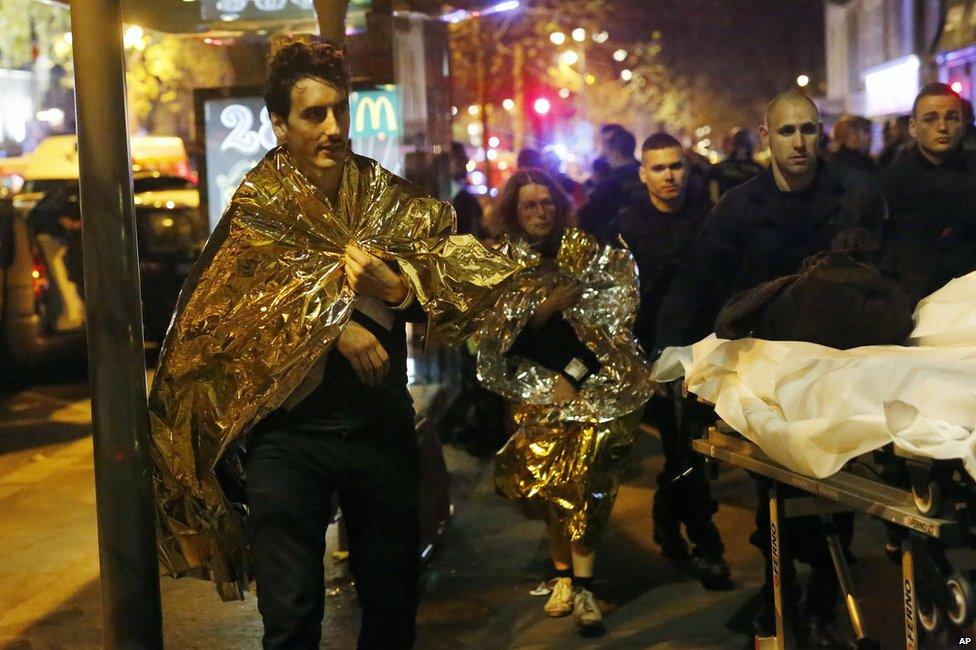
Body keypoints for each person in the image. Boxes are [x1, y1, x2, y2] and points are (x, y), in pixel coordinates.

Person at [148, 39, 519, 649]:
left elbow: (452, 283)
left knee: (392, 600)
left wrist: (396, 289)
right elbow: (224, 322)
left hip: (377, 425)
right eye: (314, 115)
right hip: (289, 438)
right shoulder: (260, 210)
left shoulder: (382, 197)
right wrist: (331, 328)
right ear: (279, 124)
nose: (332, 128)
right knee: (292, 617)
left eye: (340, 112)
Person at [656, 90, 886, 646]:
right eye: (787, 132)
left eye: (809, 129)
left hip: (836, 364)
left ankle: (826, 592)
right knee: (775, 495)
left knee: (836, 484)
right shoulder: (739, 207)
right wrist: (671, 349)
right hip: (766, 365)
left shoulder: (853, 193)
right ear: (766, 137)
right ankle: (777, 590)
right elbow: (698, 277)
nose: (800, 142)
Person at [478, 169, 654, 636]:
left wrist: (573, 377)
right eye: (529, 205)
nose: (540, 212)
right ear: (514, 211)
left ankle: (585, 587)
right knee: (551, 489)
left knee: (588, 485)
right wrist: (542, 311)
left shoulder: (585, 257)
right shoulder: (501, 264)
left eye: (547, 203)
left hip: (591, 390)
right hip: (533, 392)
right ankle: (562, 579)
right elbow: (498, 340)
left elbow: (606, 331)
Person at [608, 133, 730, 588]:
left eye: (675, 166)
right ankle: (700, 539)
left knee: (689, 450)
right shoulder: (627, 225)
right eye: (658, 168)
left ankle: (681, 527)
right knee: (683, 450)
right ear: (643, 174)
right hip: (651, 357)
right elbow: (614, 297)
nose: (669, 176)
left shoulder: (708, 218)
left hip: (704, 352)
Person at [882, 83, 976, 300]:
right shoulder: (891, 181)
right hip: (913, 304)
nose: (942, 127)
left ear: (963, 124)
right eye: (931, 118)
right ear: (913, 127)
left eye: (951, 117)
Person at [577, 127, 641, 244]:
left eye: (606, 150)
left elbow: (586, 218)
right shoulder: (649, 174)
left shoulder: (608, 185)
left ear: (614, 152)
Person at [709, 127, 764, 202]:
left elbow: (713, 197)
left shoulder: (719, 168)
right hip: (749, 211)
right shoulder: (759, 169)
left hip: (726, 210)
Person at [450, 141, 484, 237]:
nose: (465, 162)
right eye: (460, 158)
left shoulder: (465, 195)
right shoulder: (462, 197)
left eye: (465, 158)